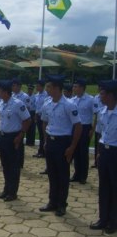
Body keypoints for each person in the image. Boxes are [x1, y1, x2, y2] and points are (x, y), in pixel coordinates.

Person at [39, 76, 82, 217]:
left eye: (49, 87)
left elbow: (77, 126)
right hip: (51, 142)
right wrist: (45, 140)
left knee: (63, 175)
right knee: (52, 174)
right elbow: (45, 122)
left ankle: (62, 204)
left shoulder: (69, 105)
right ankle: (52, 201)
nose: (47, 89)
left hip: (63, 143)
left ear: (57, 88)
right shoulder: (47, 104)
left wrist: (72, 147)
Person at [0, 80, 31, 202]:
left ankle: (12, 192)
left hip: (14, 138)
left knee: (13, 166)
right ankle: (6, 189)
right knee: (5, 165)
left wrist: (20, 136)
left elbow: (27, 120)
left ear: (5, 92)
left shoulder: (17, 104)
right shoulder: (1, 103)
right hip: (3, 137)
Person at [90, 80, 117, 234]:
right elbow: (101, 134)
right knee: (104, 187)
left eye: (103, 93)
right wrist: (99, 153)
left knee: (115, 188)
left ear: (112, 95)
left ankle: (113, 221)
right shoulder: (102, 112)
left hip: (115, 153)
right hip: (105, 153)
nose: (100, 96)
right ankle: (103, 218)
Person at [70, 79, 94, 184]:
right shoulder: (73, 99)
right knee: (75, 151)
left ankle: (83, 176)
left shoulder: (90, 100)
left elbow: (96, 114)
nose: (74, 88)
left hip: (85, 128)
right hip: (74, 127)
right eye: (74, 86)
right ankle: (76, 174)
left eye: (76, 86)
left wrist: (92, 129)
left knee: (83, 152)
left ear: (82, 88)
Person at [12, 78, 30, 168]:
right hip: (13, 120)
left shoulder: (25, 96)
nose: (13, 87)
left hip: (21, 121)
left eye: (14, 85)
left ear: (19, 86)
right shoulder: (12, 95)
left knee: (19, 143)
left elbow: (27, 109)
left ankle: (19, 163)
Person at [33, 80, 49, 160]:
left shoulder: (46, 95)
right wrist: (35, 116)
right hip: (39, 116)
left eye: (38, 86)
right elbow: (37, 107)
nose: (37, 87)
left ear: (42, 86)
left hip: (44, 117)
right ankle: (40, 151)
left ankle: (43, 151)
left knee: (44, 134)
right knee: (40, 134)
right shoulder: (37, 95)